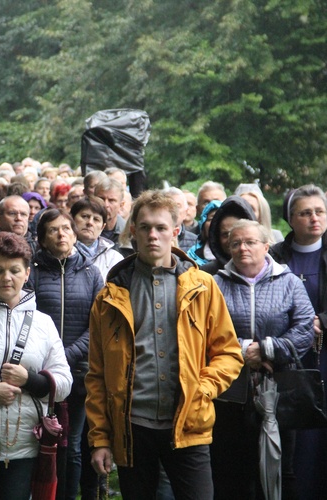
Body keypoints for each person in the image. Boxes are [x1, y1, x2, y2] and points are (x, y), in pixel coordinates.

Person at [86, 190, 243, 500]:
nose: (152, 235)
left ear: (175, 232)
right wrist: (100, 439)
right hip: (132, 427)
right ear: (133, 231)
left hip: (188, 423)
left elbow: (228, 353)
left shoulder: (203, 287)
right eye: (144, 227)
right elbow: (97, 375)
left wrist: (202, 389)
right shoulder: (109, 297)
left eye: (160, 228)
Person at [0, 231, 72, 500]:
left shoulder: (42, 322)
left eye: (15, 270)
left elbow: (65, 383)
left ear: (27, 273)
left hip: (25, 443)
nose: (7, 277)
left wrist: (30, 380)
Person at [211, 220, 313, 499]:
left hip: (280, 388)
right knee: (232, 470)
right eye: (235, 243)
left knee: (281, 467)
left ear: (266, 246)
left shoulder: (289, 282)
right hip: (230, 391)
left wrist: (268, 349)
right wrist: (245, 351)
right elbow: (206, 333)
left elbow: (304, 330)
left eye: (250, 242)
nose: (242, 248)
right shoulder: (215, 284)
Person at [29, 210, 104, 500]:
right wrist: (51, 359)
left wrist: (67, 354)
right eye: (53, 230)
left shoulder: (90, 272)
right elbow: (29, 318)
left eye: (66, 229)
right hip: (41, 373)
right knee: (41, 441)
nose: (61, 234)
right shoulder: (33, 271)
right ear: (42, 239)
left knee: (72, 445)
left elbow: (96, 324)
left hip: (79, 372)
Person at [269, 184, 327, 498]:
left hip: (324, 356)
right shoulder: (275, 256)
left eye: (319, 211)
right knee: (295, 440)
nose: (314, 219)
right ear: (291, 219)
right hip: (288, 360)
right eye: (305, 213)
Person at [199, 195, 256, 275]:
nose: (231, 240)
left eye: (237, 233)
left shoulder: (269, 271)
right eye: (225, 235)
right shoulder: (206, 274)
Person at [70, 196, 123, 281]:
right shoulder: (61, 252)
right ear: (72, 219)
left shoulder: (114, 259)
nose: (90, 223)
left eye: (96, 219)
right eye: (85, 216)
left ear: (102, 227)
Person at [186, 199, 222, 266]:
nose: (215, 223)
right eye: (211, 219)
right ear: (203, 224)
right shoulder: (192, 255)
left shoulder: (235, 254)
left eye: (220, 219)